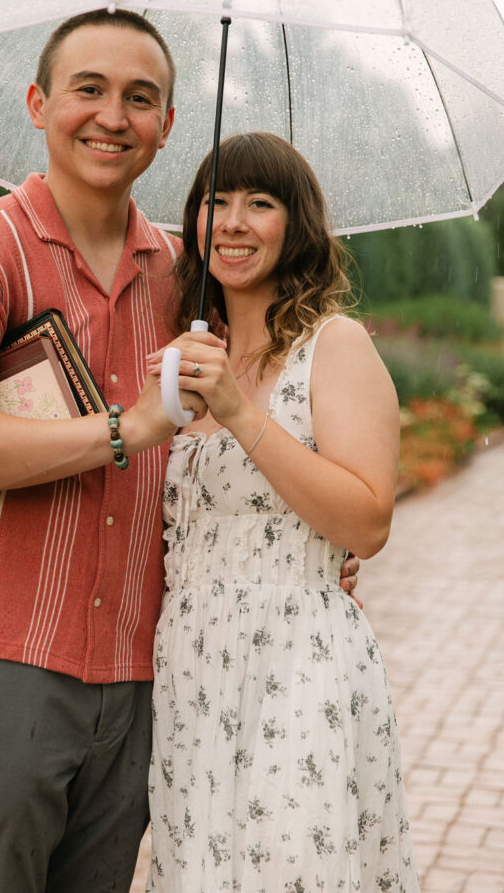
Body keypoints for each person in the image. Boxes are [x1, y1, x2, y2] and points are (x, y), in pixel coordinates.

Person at [0, 11, 359, 893]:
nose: (112, 116)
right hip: (0, 661)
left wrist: (301, 542)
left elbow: (227, 451)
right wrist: (123, 429)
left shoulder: (188, 284)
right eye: (88, 89)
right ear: (38, 102)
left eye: (140, 98)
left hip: (143, 682)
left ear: (168, 127)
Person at [145, 132, 419, 891]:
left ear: (294, 226)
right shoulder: (188, 356)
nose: (232, 222)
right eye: (215, 200)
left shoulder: (333, 347)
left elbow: (365, 523)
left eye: (258, 203)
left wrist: (237, 410)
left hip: (298, 666)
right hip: (191, 668)